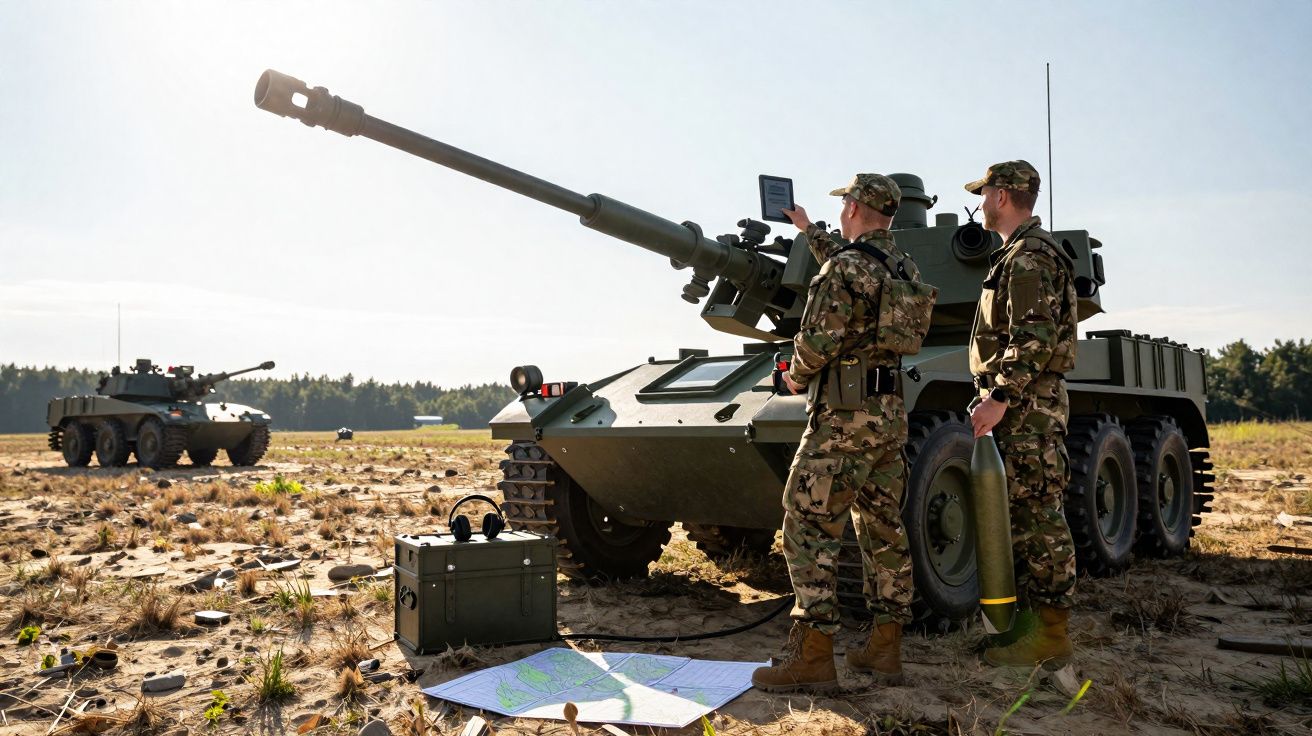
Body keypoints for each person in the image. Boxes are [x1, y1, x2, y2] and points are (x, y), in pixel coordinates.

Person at [752, 173, 935, 693]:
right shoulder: (901, 266)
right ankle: (885, 648)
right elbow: (857, 266)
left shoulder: (843, 269)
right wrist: (808, 228)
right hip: (889, 418)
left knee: (807, 518)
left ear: (853, 208)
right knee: (883, 528)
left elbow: (817, 340)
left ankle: (812, 656)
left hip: (843, 419)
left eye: (844, 205)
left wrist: (794, 375)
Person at [963, 160, 1079, 668]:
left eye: (984, 193)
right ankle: (1027, 632)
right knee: (1021, 518)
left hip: (1028, 406)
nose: (981, 203)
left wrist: (1001, 395)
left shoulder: (1030, 256)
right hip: (1023, 404)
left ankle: (1051, 637)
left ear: (1003, 196)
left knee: (1038, 518)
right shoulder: (1018, 252)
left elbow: (1034, 336)